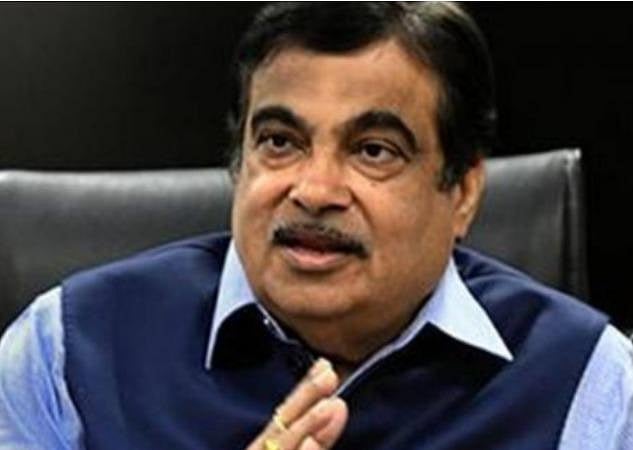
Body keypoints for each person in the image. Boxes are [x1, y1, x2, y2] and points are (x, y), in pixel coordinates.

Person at [0, 2, 631, 449]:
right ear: (238, 163)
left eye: (374, 150)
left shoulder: (587, 382)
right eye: (280, 141)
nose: (315, 190)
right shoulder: (67, 351)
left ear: (462, 192)